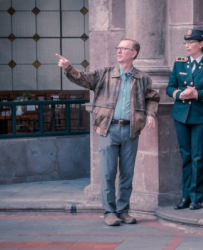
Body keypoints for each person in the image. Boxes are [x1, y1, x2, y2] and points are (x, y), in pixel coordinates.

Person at [55, 37, 160, 226]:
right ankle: (109, 212)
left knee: (127, 173)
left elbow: (152, 97)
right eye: (118, 48)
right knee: (108, 172)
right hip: (109, 129)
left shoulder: (142, 78)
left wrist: (151, 114)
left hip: (131, 130)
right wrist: (69, 67)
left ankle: (123, 211)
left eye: (123, 48)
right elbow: (83, 79)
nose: (119, 51)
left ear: (133, 53)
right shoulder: (104, 74)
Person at [167, 29, 203, 210]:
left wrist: (198, 94)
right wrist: (180, 94)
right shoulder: (179, 63)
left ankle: (196, 197)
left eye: (191, 42)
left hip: (200, 116)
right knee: (186, 157)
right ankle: (185, 197)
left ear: (201, 44)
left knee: (198, 157)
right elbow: (170, 88)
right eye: (186, 43)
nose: (187, 46)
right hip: (181, 115)